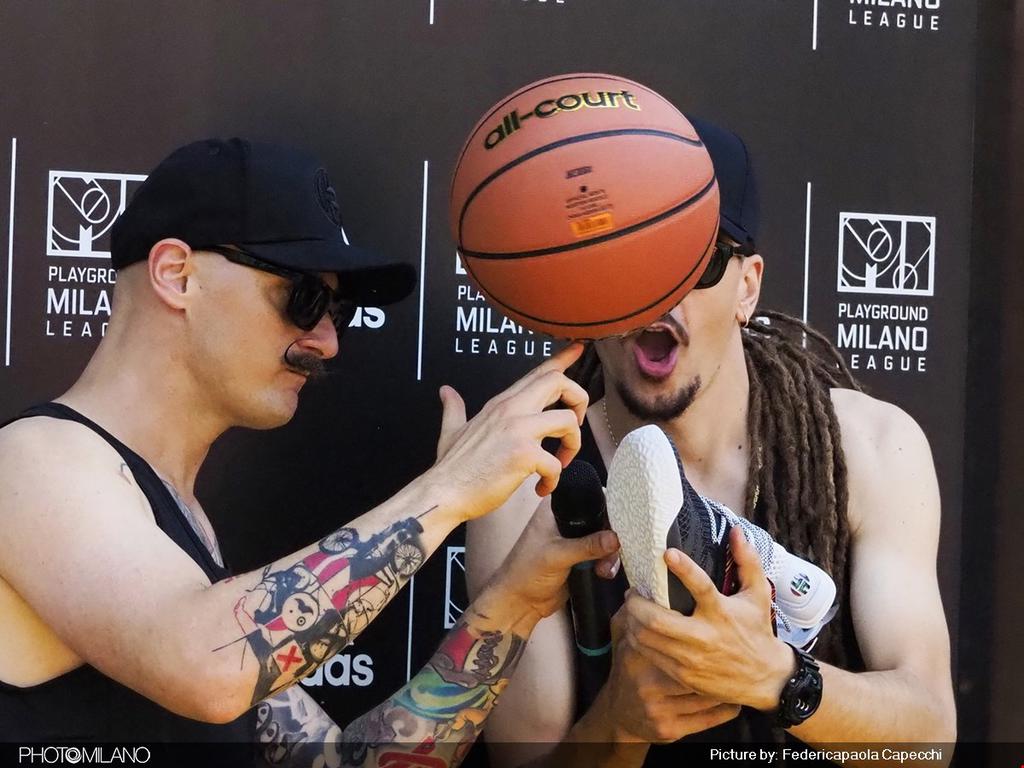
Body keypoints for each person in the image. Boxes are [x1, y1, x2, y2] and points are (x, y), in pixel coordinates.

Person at [0, 138, 618, 767]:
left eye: (336, 311)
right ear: (177, 275)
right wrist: (450, 488)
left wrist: (514, 601)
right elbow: (211, 669)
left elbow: (339, 763)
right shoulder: (35, 462)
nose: (327, 341)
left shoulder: (178, 531)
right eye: (303, 299)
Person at [466, 118, 957, 766]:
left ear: (746, 286)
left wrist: (776, 677)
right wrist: (622, 722)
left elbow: (929, 737)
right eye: (623, 256)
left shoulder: (872, 448)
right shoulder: (531, 478)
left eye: (695, 261)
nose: (657, 292)